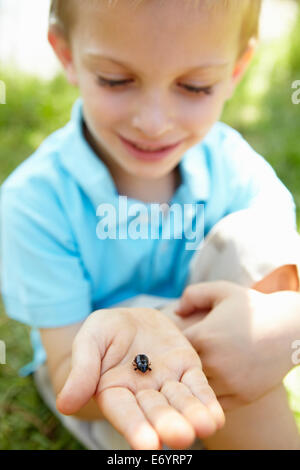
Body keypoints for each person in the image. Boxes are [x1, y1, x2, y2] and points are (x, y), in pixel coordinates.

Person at [1, 0, 300, 450]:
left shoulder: (238, 172)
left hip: (223, 337)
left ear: (237, 70)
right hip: (104, 382)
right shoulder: (35, 203)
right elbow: (68, 375)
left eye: (195, 86)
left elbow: (283, 284)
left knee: (255, 238)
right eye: (116, 80)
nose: (154, 123)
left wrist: (288, 329)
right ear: (66, 55)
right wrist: (198, 347)